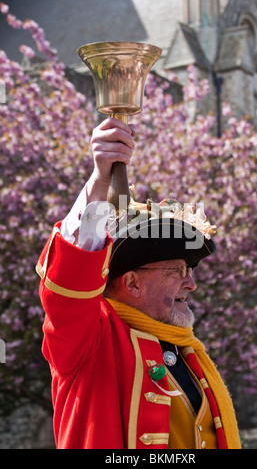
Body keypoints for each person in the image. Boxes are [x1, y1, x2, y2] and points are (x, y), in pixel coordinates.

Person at [36, 118, 241, 449]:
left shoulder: (187, 353)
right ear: (131, 282)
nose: (192, 284)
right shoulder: (89, 340)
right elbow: (69, 277)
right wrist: (100, 179)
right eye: (177, 270)